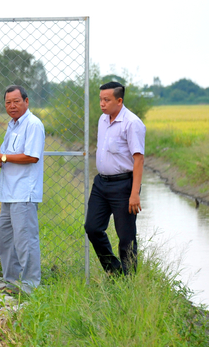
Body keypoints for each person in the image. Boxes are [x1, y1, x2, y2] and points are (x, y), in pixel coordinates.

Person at [0, 85, 45, 294]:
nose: (12, 106)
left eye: (16, 102)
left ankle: (30, 288)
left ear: (26, 102)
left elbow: (32, 156)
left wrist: (2, 157)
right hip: (9, 193)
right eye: (8, 103)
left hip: (24, 193)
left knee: (25, 240)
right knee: (6, 239)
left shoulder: (33, 124)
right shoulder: (12, 126)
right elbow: (6, 156)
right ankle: (12, 284)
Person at [84, 81, 146, 275]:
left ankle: (130, 282)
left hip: (123, 185)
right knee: (92, 228)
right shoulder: (103, 120)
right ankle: (115, 270)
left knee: (126, 237)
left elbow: (139, 159)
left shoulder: (132, 123)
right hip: (101, 183)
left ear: (119, 101)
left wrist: (134, 193)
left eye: (107, 100)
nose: (102, 104)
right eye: (101, 99)